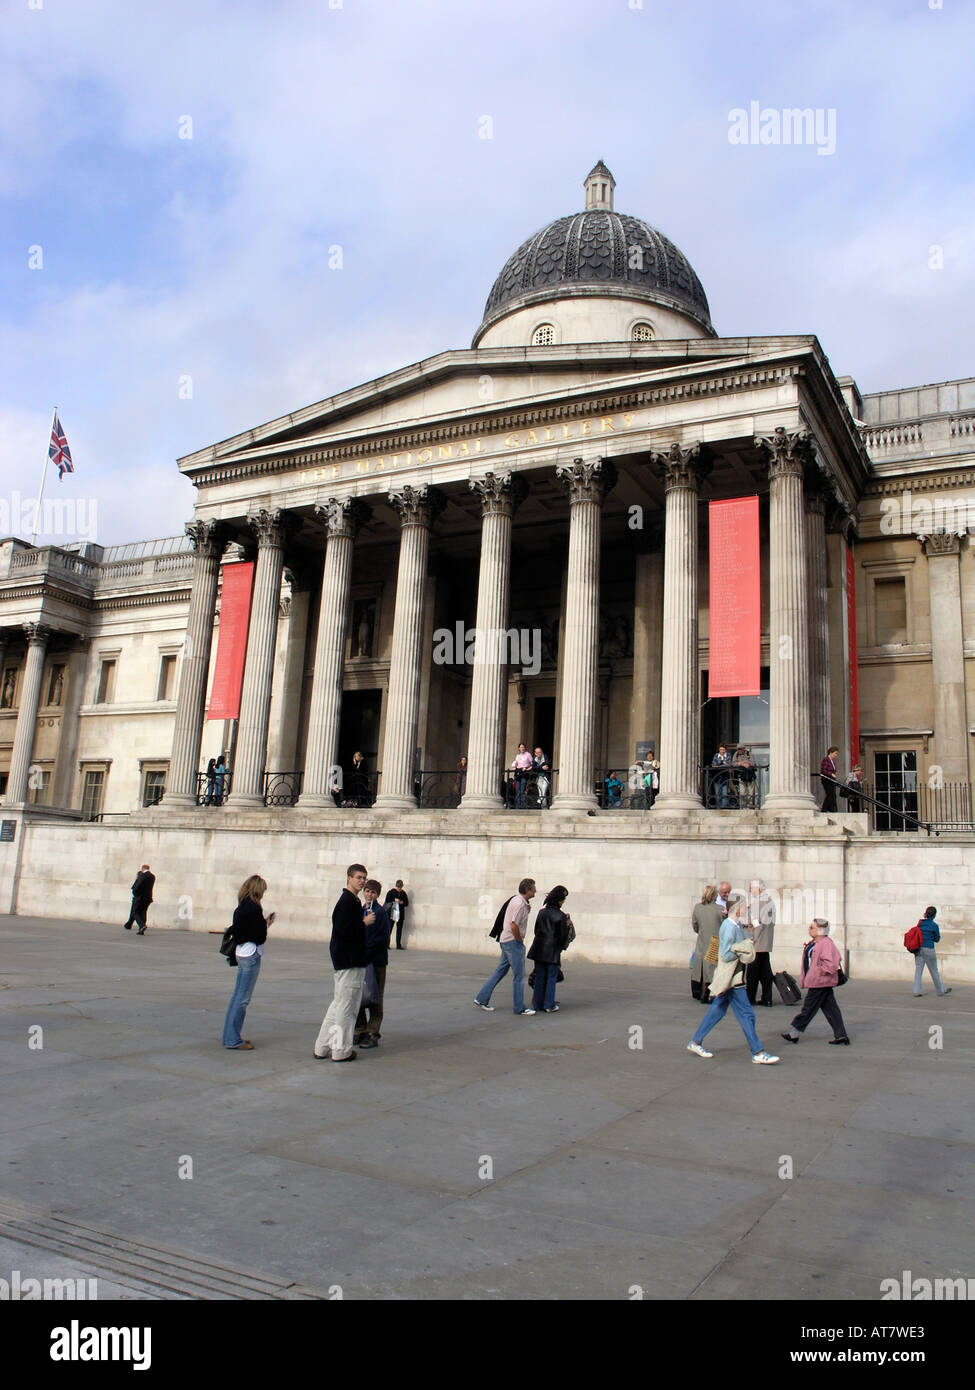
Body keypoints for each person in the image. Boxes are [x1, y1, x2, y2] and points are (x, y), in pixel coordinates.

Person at [687, 899, 780, 1064]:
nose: (747, 909)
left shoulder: (734, 925)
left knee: (718, 1010)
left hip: (731, 977)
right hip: (733, 978)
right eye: (745, 907)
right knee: (746, 1014)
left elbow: (743, 942)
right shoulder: (730, 927)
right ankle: (757, 1052)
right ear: (737, 910)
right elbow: (726, 954)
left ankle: (696, 1041)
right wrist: (743, 947)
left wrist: (751, 934)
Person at [313, 863, 370, 1062]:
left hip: (344, 960)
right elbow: (344, 931)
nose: (361, 881)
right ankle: (341, 1050)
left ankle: (322, 1046)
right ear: (349, 878)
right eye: (358, 877)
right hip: (350, 961)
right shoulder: (349, 902)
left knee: (338, 1005)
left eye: (364, 878)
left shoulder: (349, 901)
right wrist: (364, 923)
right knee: (347, 1008)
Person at [222, 875, 275, 1050]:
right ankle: (233, 1039)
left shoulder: (242, 906)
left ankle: (229, 1035)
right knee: (243, 998)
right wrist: (265, 924)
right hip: (251, 953)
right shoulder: (253, 908)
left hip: (242, 952)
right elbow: (259, 936)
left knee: (237, 996)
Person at [780, 918, 850, 1045]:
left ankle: (794, 1032)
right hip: (819, 981)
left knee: (808, 1008)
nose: (809, 929)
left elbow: (832, 963)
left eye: (812, 927)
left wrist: (819, 971)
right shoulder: (815, 943)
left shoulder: (826, 943)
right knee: (831, 1009)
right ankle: (841, 1035)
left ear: (820, 930)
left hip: (820, 982)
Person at [474, 877, 536, 1015]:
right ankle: (519, 1007)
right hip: (512, 942)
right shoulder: (520, 904)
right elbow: (514, 925)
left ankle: (482, 998)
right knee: (519, 976)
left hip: (505, 940)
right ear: (528, 890)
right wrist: (519, 941)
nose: (535, 891)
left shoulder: (517, 900)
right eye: (533, 888)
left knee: (500, 971)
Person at [355, 880, 390, 1049]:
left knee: (375, 997)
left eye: (373, 892)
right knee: (359, 996)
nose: (369, 894)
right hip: (361, 960)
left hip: (376, 961)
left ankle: (372, 1031)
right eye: (367, 891)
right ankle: (360, 1028)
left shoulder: (380, 912)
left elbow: (382, 938)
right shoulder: (360, 910)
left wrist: (367, 951)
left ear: (378, 894)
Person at [528, 885, 573, 1012]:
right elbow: (563, 937)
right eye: (563, 899)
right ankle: (549, 1005)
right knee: (551, 977)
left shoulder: (542, 912)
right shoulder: (561, 916)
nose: (563, 901)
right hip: (552, 951)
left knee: (540, 976)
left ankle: (537, 1004)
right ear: (559, 900)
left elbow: (536, 930)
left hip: (538, 949)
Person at [745, 877, 776, 1007]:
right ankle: (767, 998)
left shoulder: (758, 903)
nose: (750, 890)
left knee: (752, 973)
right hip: (766, 941)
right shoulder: (770, 901)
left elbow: (756, 923)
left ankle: (750, 997)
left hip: (757, 943)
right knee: (765, 973)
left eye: (751, 888)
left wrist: (751, 937)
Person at [691, 885, 723, 1003]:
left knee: (702, 967)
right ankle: (709, 993)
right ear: (714, 895)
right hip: (715, 941)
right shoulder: (720, 909)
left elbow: (695, 925)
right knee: (712, 968)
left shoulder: (697, 908)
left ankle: (701, 993)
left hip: (702, 941)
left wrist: (701, 932)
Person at [912, 905, 952, 998]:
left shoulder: (920, 923)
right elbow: (937, 939)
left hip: (918, 949)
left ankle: (916, 991)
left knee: (918, 970)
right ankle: (940, 990)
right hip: (929, 948)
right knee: (934, 971)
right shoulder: (934, 925)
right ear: (934, 915)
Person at [123, 864, 155, 935]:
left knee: (134, 912)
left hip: (140, 897)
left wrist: (135, 893)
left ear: (142, 869)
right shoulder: (152, 876)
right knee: (143, 912)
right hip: (148, 898)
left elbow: (137, 886)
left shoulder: (143, 875)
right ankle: (141, 929)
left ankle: (142, 925)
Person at [384, 880, 409, 950]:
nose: (399, 889)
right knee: (389, 929)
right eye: (398, 887)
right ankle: (387, 944)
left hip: (400, 914)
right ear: (396, 886)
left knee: (399, 929)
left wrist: (402, 902)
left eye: (400, 887)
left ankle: (398, 945)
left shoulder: (403, 893)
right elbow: (387, 900)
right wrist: (394, 899)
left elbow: (407, 903)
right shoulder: (391, 892)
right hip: (392, 913)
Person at [512, 743, 532, 808]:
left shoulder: (528, 754)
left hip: (524, 772)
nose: (522, 748)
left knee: (522, 789)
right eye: (521, 747)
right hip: (518, 772)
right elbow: (516, 763)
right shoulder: (518, 755)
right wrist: (514, 766)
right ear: (519, 748)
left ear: (525, 748)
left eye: (523, 747)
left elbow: (532, 764)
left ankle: (522, 805)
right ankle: (517, 805)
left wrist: (526, 768)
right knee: (518, 789)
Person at [820, 746, 839, 812]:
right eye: (835, 753)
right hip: (827, 780)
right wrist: (831, 774)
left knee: (832, 795)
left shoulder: (832, 761)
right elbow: (823, 770)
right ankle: (825, 809)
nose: (836, 755)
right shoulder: (826, 760)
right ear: (831, 752)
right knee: (830, 794)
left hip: (831, 780)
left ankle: (828, 809)